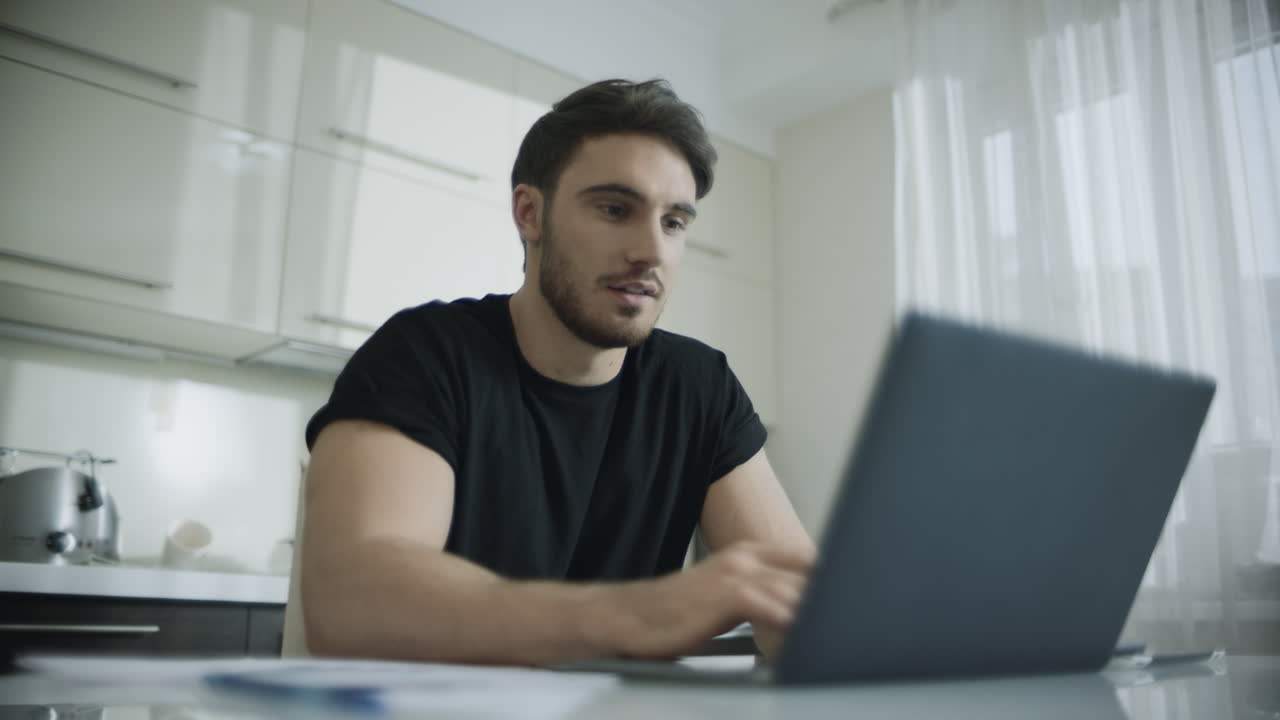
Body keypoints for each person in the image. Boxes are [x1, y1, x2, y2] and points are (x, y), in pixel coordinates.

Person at [299, 78, 814, 665]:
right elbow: (352, 606)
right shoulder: (424, 356)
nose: (651, 250)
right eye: (616, 209)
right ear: (530, 213)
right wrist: (645, 613)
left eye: (674, 222)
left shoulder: (700, 386)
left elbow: (798, 604)